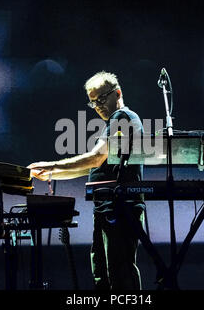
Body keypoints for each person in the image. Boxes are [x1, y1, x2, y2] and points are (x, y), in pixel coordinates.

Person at [28, 71, 145, 290]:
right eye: (93, 102)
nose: (98, 106)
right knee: (103, 274)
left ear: (117, 93)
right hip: (107, 208)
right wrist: (50, 173)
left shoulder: (122, 117)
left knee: (119, 275)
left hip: (120, 208)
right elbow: (92, 165)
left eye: (101, 99)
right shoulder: (113, 123)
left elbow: (95, 158)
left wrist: (52, 166)